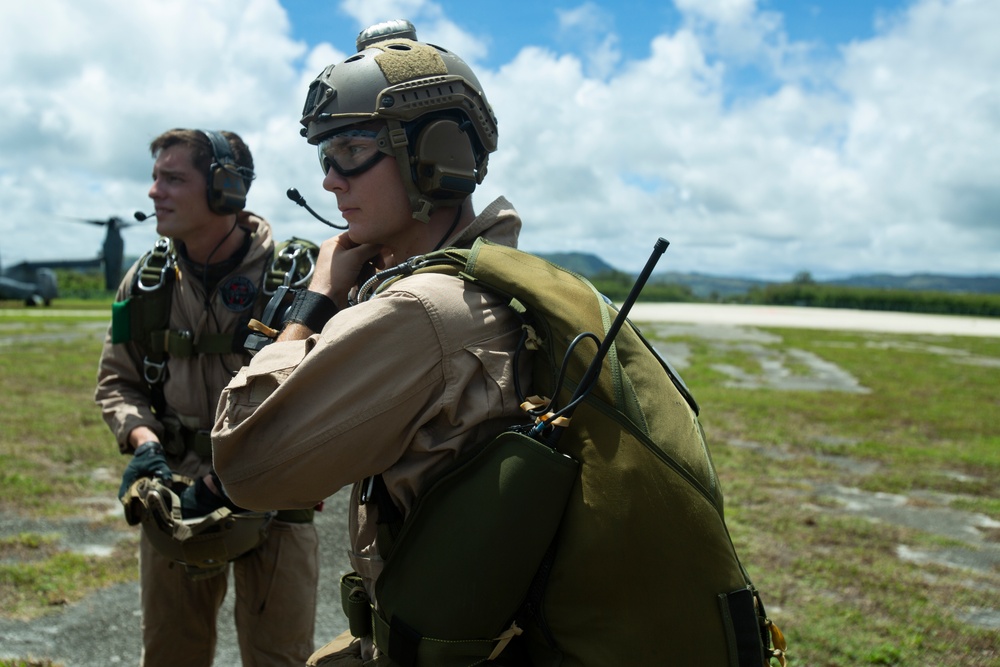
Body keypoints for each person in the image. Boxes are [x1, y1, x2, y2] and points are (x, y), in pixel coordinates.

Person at [211, 20, 528, 666]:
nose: (331, 180)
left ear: (433, 155)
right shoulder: (498, 279)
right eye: (324, 157)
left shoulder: (420, 309)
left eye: (351, 151)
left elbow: (242, 462)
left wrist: (314, 302)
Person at [95, 128, 319, 667]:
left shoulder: (299, 282)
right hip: (176, 499)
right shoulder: (146, 284)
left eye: (172, 178)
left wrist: (242, 474)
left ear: (226, 189)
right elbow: (118, 380)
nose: (154, 192)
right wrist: (144, 441)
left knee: (280, 657)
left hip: (274, 499)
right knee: (171, 654)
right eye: (154, 178)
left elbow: (323, 396)